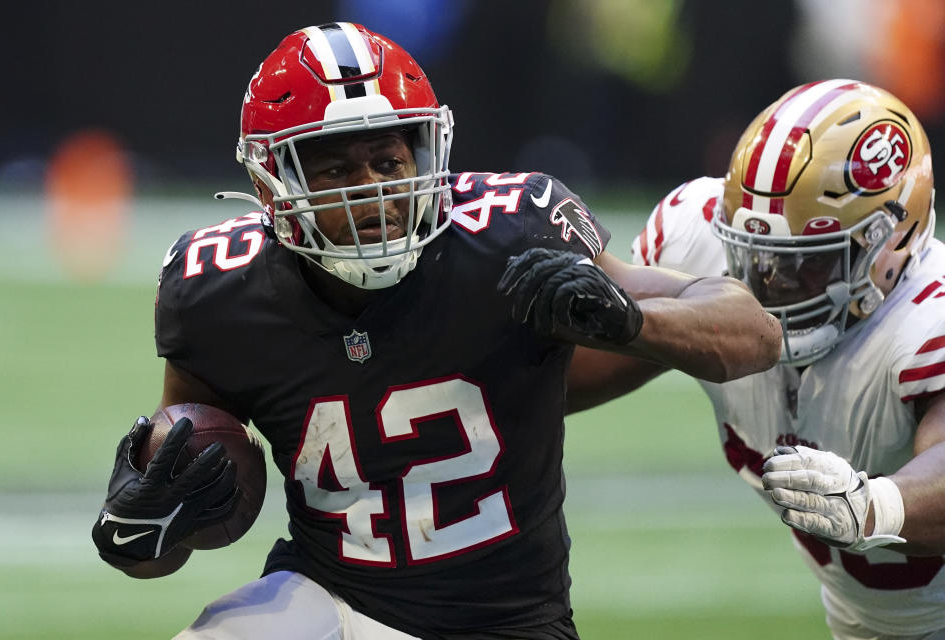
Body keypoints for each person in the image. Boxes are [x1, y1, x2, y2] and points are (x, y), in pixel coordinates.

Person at [90, 22, 780, 640]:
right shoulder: (217, 291)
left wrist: (632, 320)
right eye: (334, 170)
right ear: (273, 186)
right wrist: (137, 525)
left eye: (389, 163)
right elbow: (183, 520)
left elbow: (753, 334)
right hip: (326, 597)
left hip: (504, 623)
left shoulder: (512, 232)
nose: (374, 193)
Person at [611, 79, 945, 640]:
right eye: (755, 256)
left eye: (805, 265)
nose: (770, 285)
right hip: (865, 623)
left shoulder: (924, 319)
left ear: (892, 244)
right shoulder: (700, 249)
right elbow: (572, 378)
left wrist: (873, 507)